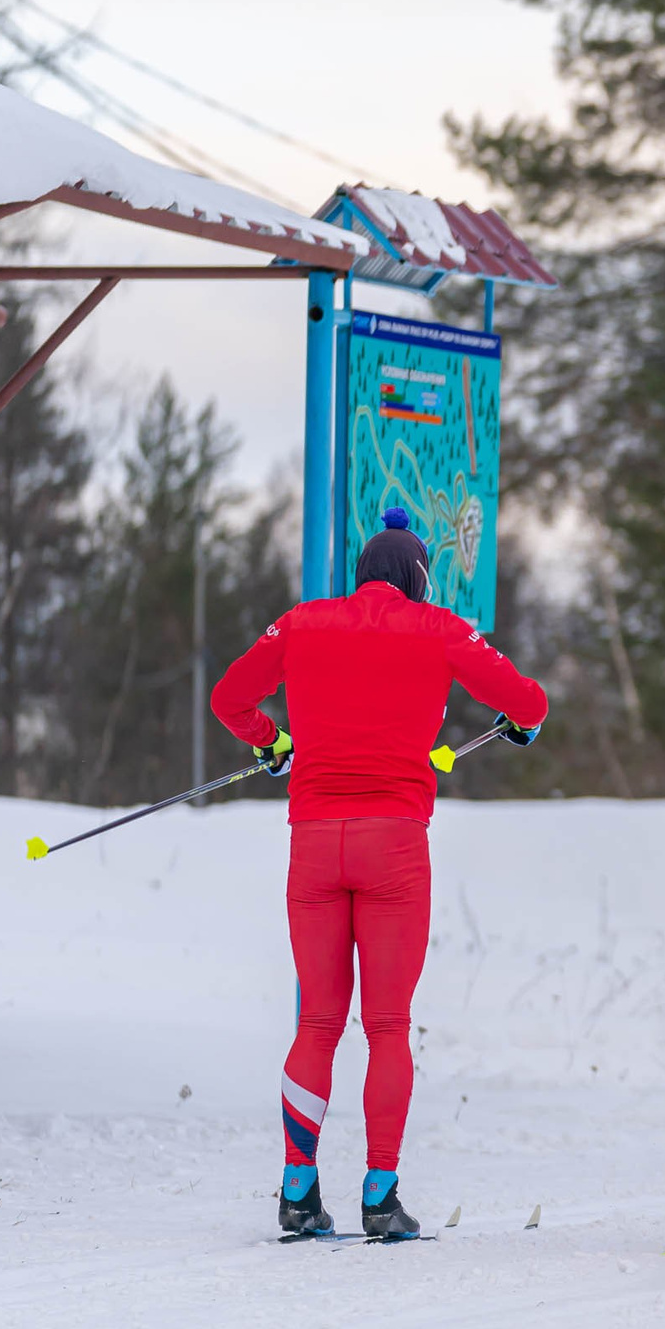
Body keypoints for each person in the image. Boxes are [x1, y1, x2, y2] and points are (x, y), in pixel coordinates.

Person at [211, 507, 549, 1240]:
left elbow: (229, 699)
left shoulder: (301, 622)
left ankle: (298, 1191)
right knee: (388, 1024)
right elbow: (528, 702)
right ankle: (380, 1194)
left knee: (317, 1021)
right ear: (417, 578)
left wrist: (274, 742)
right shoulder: (440, 629)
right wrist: (521, 723)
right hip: (394, 842)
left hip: (313, 842)